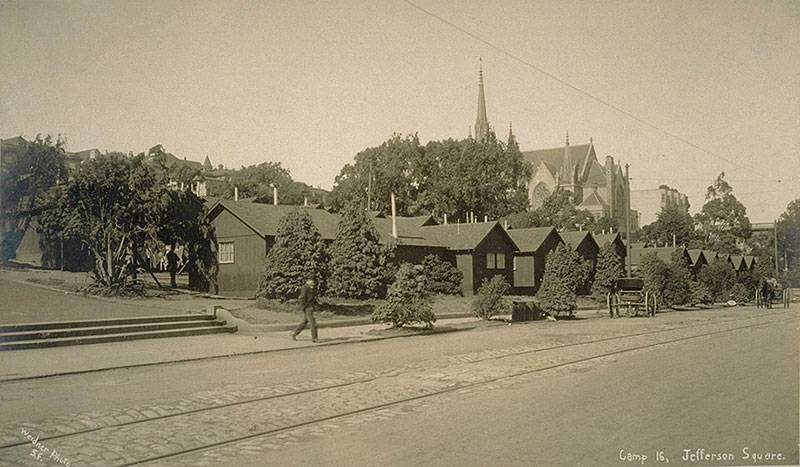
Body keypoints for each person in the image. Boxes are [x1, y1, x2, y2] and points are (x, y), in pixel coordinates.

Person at [291, 278, 319, 342]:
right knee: (313, 323)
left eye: (314, 282)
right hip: (307, 307)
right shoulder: (305, 287)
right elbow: (302, 298)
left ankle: (294, 333)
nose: (313, 283)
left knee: (305, 322)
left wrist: (316, 305)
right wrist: (304, 307)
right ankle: (314, 338)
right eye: (312, 281)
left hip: (310, 307)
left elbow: (312, 298)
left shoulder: (311, 288)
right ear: (308, 281)